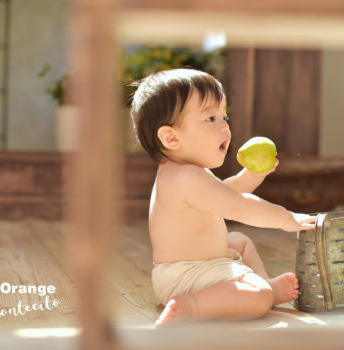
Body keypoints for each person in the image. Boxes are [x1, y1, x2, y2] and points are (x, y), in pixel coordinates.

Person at [130, 68, 316, 328]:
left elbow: (226, 194)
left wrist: (252, 175)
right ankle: (192, 306)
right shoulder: (185, 177)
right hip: (187, 277)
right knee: (258, 298)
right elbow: (236, 206)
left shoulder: (186, 172)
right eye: (210, 118)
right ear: (171, 137)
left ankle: (264, 285)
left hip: (201, 265)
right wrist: (286, 218)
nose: (224, 125)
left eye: (223, 116)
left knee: (239, 242)